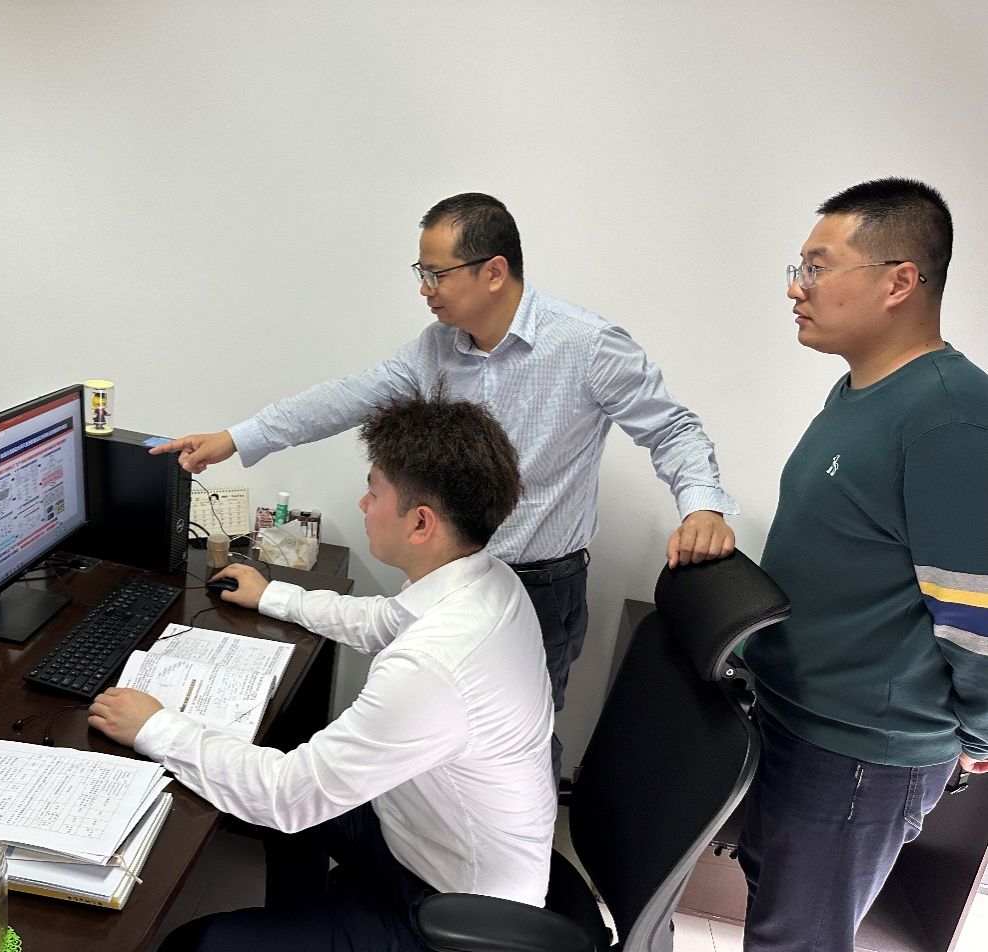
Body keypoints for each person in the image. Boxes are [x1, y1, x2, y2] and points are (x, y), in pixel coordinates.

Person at [150, 192, 738, 781]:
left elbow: (672, 428)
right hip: (449, 577)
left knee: (514, 744)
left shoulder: (587, 344)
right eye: (421, 273)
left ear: (494, 271)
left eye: (437, 274)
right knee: (424, 738)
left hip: (538, 586)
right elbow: (348, 396)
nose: (424, 289)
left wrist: (702, 508)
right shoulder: (437, 347)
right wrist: (237, 438)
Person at [91, 390, 557, 952]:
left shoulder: (432, 666)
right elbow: (382, 620)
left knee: (196, 943)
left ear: (421, 523)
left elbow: (288, 797)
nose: (363, 504)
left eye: (374, 492)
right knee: (283, 756)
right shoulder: (490, 582)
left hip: (454, 912)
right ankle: (303, 921)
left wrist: (155, 727)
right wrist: (273, 596)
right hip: (428, 834)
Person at [739, 177, 988, 952]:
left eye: (816, 267)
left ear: (898, 281)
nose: (796, 287)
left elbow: (977, 613)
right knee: (778, 919)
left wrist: (980, 738)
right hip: (797, 720)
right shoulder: (859, 393)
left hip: (857, 758)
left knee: (799, 941)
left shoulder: (950, 419)